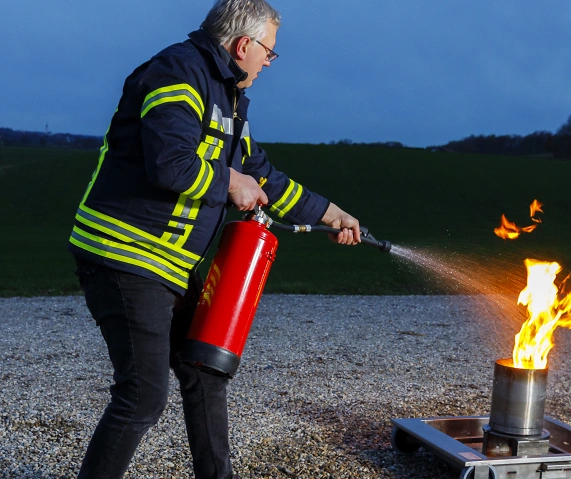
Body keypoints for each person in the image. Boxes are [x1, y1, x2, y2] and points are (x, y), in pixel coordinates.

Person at [68, 1, 360, 477]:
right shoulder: (176, 73)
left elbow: (264, 177)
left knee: (204, 369)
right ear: (243, 45)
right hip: (123, 256)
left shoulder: (228, 100)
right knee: (142, 395)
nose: (269, 62)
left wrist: (333, 215)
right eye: (269, 51)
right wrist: (230, 182)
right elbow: (170, 164)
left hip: (167, 265)